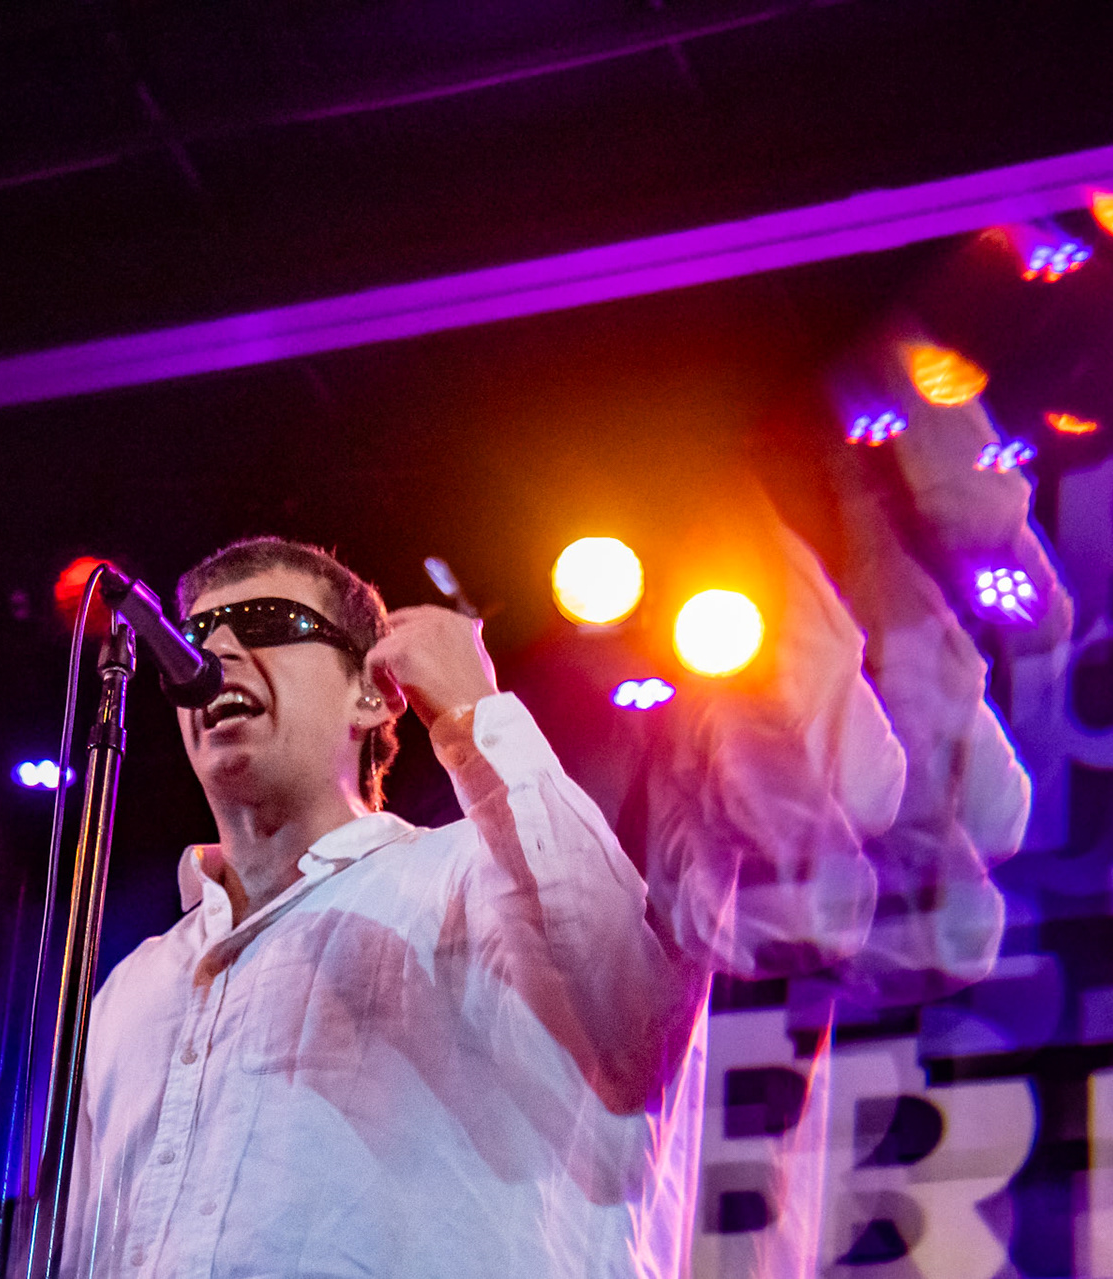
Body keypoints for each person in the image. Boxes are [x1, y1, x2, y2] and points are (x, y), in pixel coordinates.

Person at [61, 536, 714, 1278]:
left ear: (372, 693)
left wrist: (474, 713)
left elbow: (632, 1020)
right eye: (198, 633)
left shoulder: (476, 878)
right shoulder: (134, 989)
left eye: (269, 622)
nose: (217, 651)